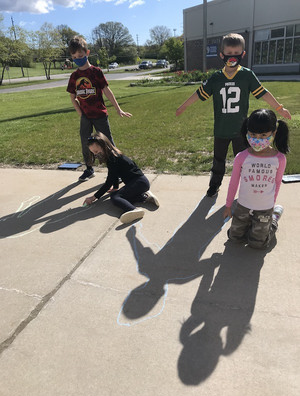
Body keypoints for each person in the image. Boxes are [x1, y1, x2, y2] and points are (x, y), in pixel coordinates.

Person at [176, 33, 291, 197]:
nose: (232, 57)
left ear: (242, 54)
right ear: (222, 55)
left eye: (236, 53)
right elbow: (198, 93)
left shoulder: (247, 75)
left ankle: (245, 187)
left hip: (241, 131)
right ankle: (214, 185)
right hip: (221, 130)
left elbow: (263, 92)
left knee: (245, 161)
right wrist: (183, 106)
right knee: (218, 161)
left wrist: (280, 108)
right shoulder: (216, 77)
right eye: (228, 54)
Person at [67, 36, 132, 182]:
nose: (78, 58)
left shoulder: (96, 72)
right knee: (86, 142)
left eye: (81, 56)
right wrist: (80, 113)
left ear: (87, 53)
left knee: (107, 143)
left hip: (100, 115)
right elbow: (72, 96)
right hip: (85, 117)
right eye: (74, 56)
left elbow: (107, 91)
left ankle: (117, 170)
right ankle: (89, 169)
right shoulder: (74, 76)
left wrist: (118, 109)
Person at [223, 109, 289, 249]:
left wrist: (272, 205)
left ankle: (274, 219)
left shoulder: (279, 159)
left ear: (274, 133)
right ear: (247, 132)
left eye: (264, 135)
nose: (257, 139)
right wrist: (228, 205)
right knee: (234, 237)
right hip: (243, 206)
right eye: (253, 134)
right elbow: (234, 182)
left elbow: (277, 183)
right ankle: (253, 225)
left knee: (257, 244)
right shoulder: (241, 157)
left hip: (265, 208)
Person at [83, 133, 160, 224]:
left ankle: (133, 210)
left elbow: (109, 181)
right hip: (139, 183)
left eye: (96, 151)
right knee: (119, 195)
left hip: (139, 183)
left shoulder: (113, 159)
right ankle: (144, 197)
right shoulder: (113, 155)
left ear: (104, 146)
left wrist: (94, 197)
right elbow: (115, 175)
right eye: (93, 153)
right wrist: (115, 187)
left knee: (115, 197)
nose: (95, 154)